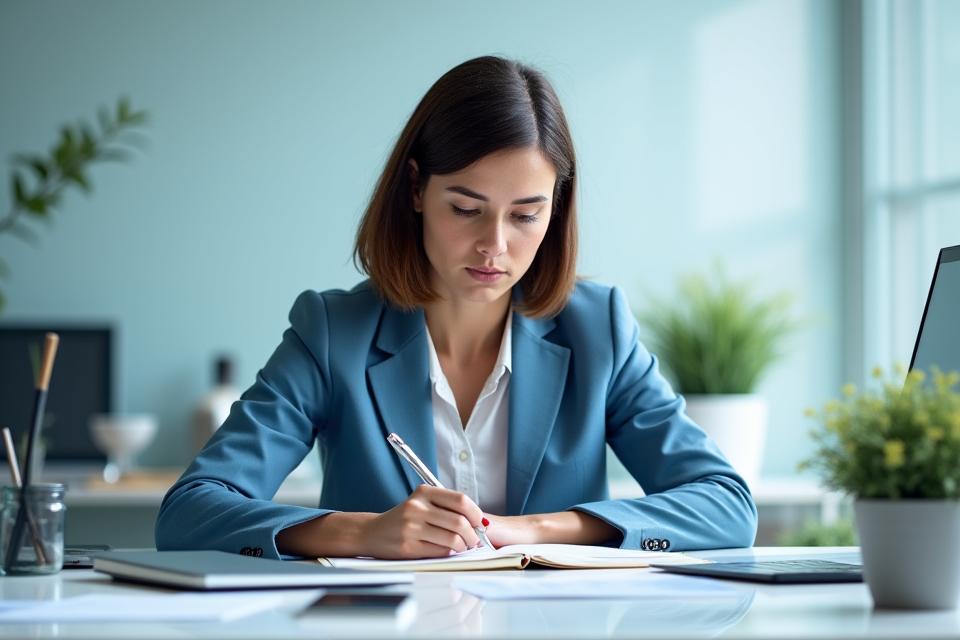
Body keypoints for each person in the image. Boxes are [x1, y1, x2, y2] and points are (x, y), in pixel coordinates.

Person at [156, 56, 757, 561]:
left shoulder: (597, 329)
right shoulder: (333, 332)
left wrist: (538, 530)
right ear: (416, 189)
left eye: (526, 215)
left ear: (556, 208)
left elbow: (726, 507)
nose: (495, 246)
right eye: (466, 209)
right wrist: (365, 532)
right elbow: (188, 514)